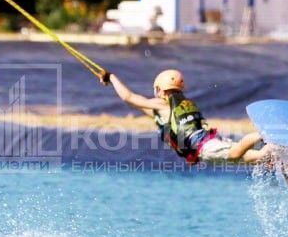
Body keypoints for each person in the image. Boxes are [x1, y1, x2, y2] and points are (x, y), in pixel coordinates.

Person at [104, 69, 266, 165]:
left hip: (202, 146)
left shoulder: (163, 104)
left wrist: (111, 77)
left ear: (160, 89)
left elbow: (129, 97)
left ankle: (264, 134)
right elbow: (137, 105)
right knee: (251, 158)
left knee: (235, 154)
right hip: (206, 143)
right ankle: (275, 153)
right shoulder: (179, 104)